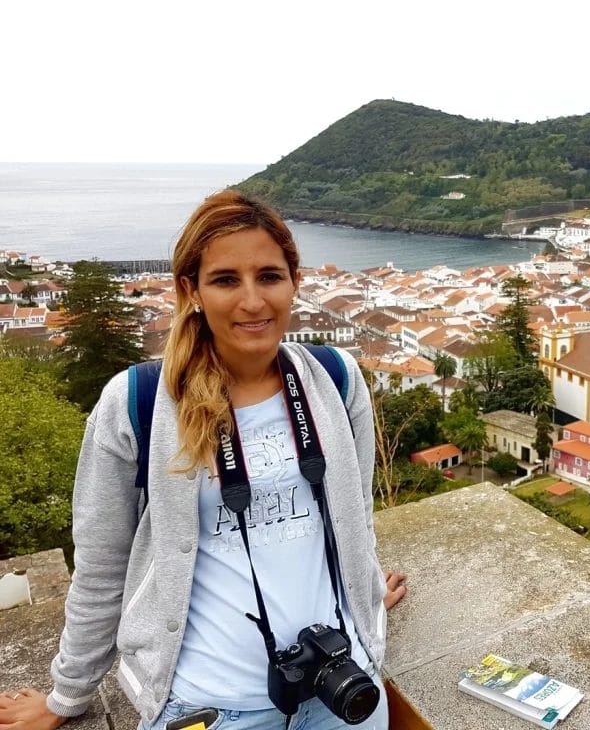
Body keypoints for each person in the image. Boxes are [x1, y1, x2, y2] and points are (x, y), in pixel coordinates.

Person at [0, 190, 406, 730]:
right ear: (190, 290)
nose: (252, 301)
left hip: (341, 686)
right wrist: (66, 696)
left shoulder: (335, 381)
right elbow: (101, 569)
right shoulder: (138, 403)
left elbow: (353, 517)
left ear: (295, 281)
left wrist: (366, 598)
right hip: (208, 705)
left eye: (269, 276)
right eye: (225, 280)